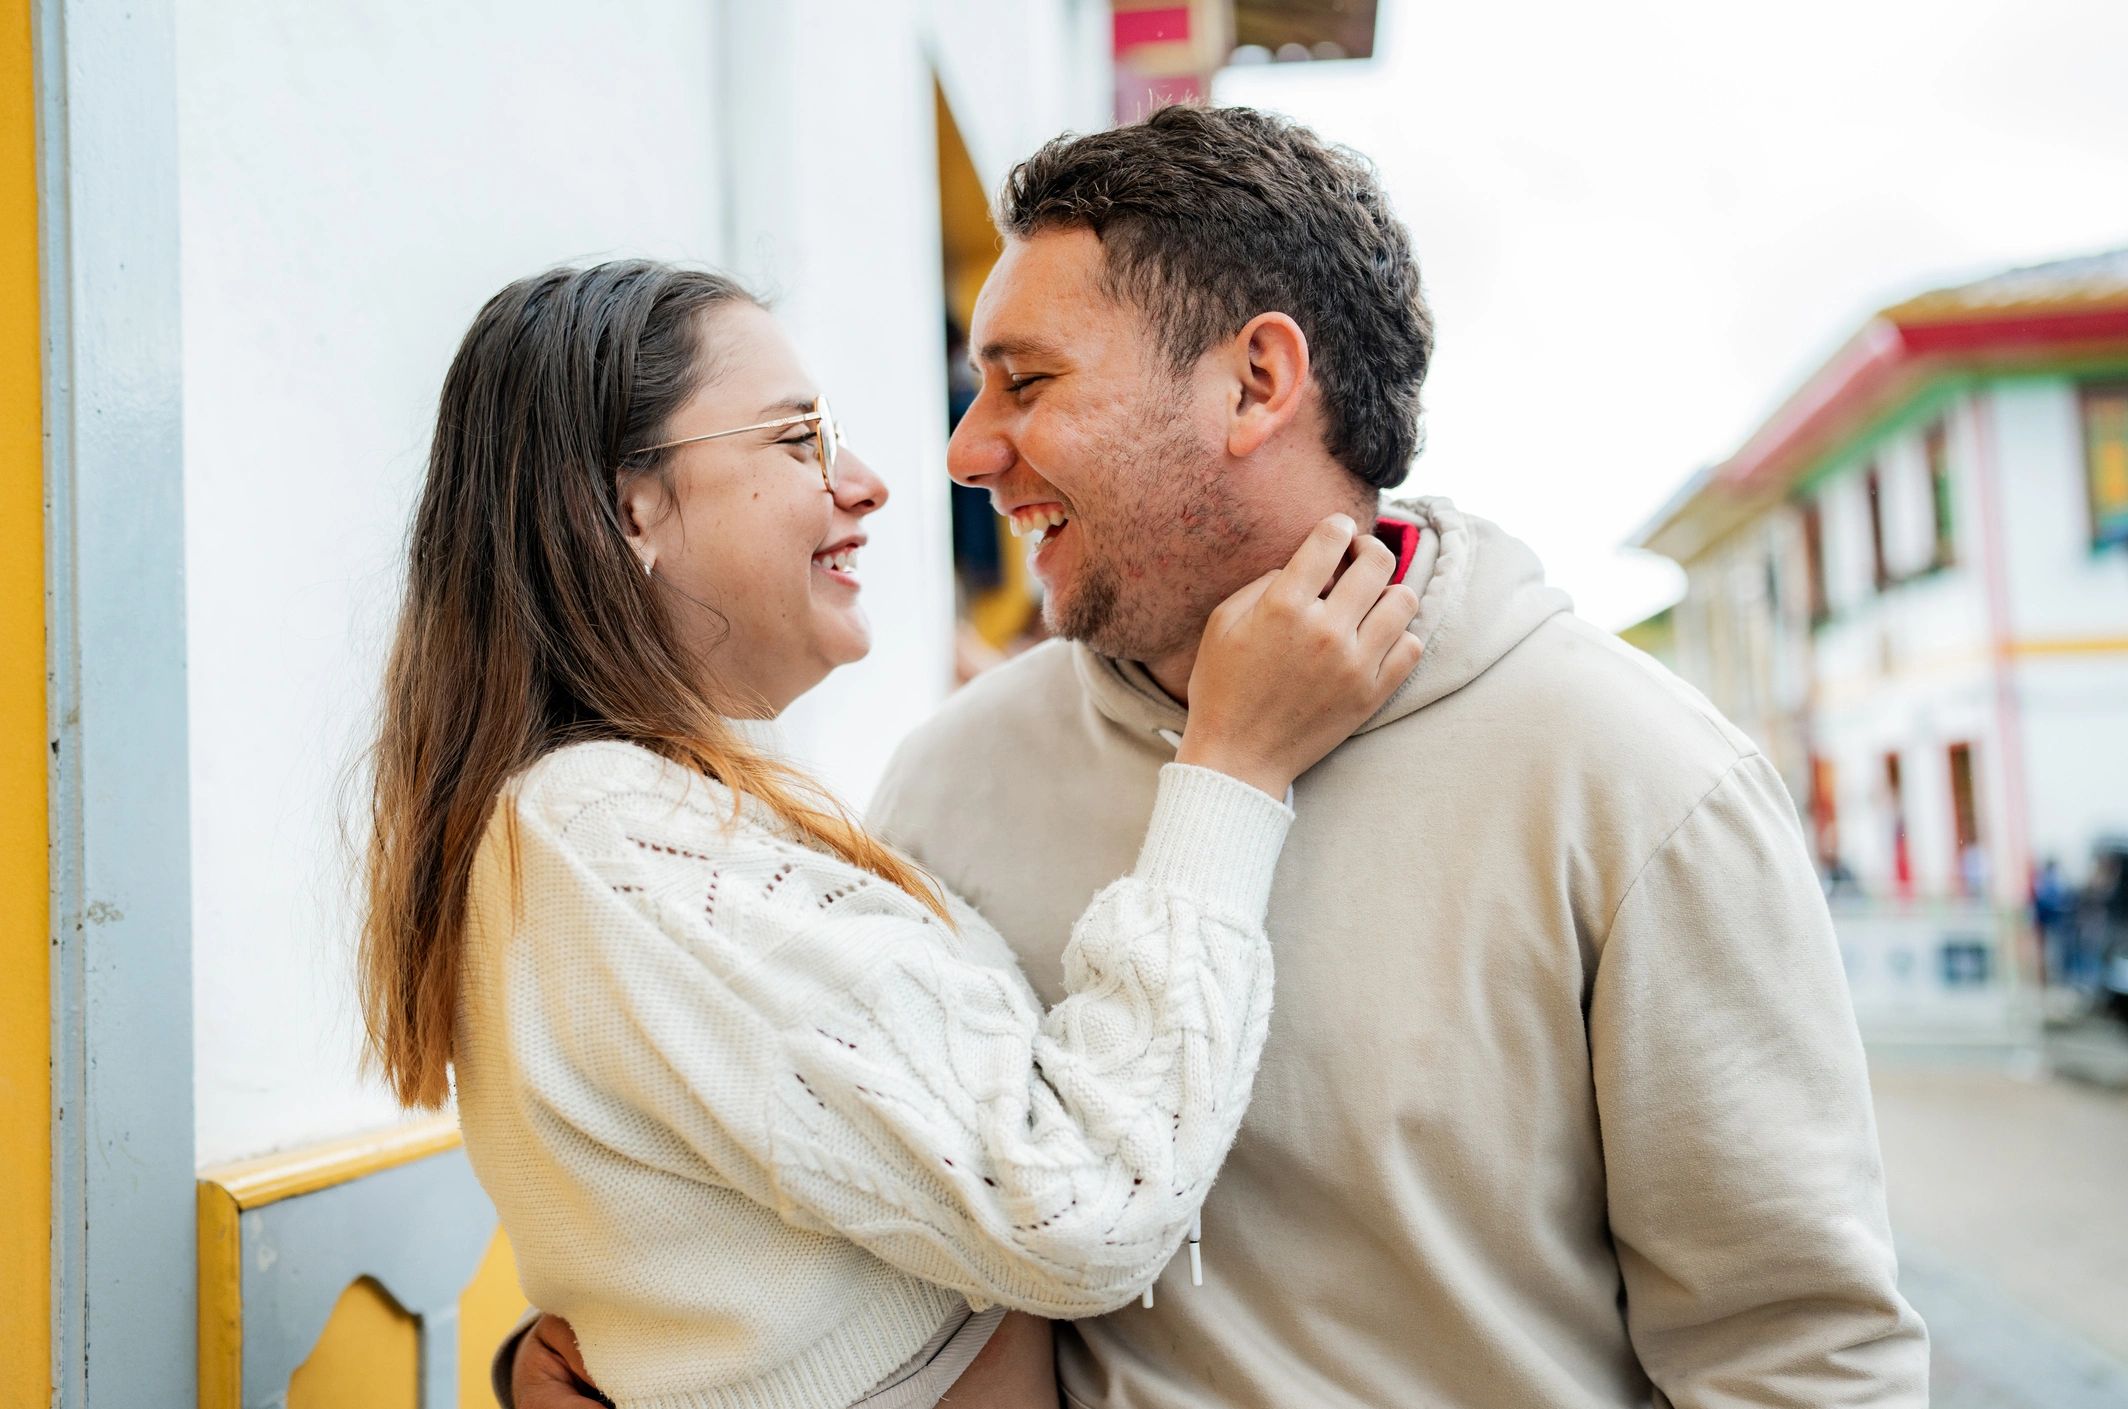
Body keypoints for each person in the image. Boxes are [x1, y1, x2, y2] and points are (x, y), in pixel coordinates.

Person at [512, 106, 1929, 1408]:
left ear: (1256, 381)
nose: (962, 449)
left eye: (1025, 381)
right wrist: (605, 1365)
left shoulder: (1640, 782)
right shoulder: (950, 776)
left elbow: (1798, 1357)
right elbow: (862, 1220)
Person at [357, 260, 1423, 1409]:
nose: (863, 483)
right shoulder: (601, 831)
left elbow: (727, 1213)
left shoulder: (646, 813)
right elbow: (1076, 1206)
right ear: (632, 507)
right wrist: (1232, 766)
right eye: (797, 438)